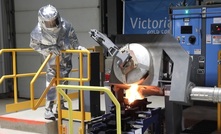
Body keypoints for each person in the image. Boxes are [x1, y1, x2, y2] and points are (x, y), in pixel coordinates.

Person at [29, 4, 86, 120]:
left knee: (64, 83)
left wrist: (79, 48)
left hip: (65, 59)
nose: (52, 24)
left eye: (53, 21)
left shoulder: (66, 26)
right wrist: (49, 49)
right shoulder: (38, 32)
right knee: (52, 85)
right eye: (48, 22)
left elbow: (74, 40)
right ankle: (48, 109)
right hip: (51, 61)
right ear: (42, 21)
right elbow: (34, 45)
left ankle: (61, 105)